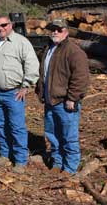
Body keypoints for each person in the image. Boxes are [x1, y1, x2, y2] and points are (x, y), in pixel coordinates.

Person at [0, 14, 40, 174]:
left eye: (4, 25)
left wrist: (26, 86)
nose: (1, 28)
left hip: (13, 93)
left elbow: (31, 64)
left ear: (11, 25)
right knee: (0, 125)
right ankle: (4, 154)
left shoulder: (21, 42)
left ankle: (20, 159)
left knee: (16, 127)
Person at [36, 18, 89, 175]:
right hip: (50, 100)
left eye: (59, 29)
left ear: (66, 31)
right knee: (53, 135)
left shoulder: (74, 51)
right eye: (53, 29)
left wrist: (73, 98)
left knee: (69, 137)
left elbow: (81, 77)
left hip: (65, 103)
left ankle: (70, 168)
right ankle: (57, 163)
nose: (55, 32)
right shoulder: (49, 49)